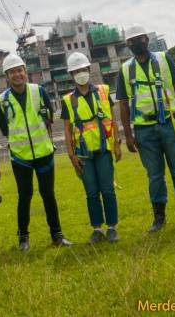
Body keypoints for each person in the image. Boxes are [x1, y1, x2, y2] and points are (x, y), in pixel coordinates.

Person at [117, 23, 175, 232]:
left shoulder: (163, 58)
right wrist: (128, 135)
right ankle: (159, 219)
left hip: (170, 123)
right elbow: (124, 104)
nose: (137, 43)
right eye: (132, 41)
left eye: (140, 39)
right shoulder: (125, 69)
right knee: (154, 175)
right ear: (128, 44)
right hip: (144, 130)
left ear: (147, 39)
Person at [0, 53, 72, 251]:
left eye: (19, 70)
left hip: (44, 153)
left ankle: (57, 235)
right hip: (20, 158)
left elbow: (48, 118)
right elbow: (4, 128)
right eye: (12, 72)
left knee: (48, 194)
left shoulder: (39, 91)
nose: (17, 74)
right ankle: (23, 238)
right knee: (24, 196)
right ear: (7, 76)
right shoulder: (1, 100)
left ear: (25, 72)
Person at [62, 52, 121, 244]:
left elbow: (112, 117)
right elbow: (68, 129)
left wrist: (117, 144)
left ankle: (112, 228)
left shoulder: (103, 91)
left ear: (89, 70)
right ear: (71, 75)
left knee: (108, 190)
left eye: (83, 70)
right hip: (83, 154)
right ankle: (97, 229)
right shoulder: (68, 100)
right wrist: (71, 155)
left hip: (103, 151)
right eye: (76, 71)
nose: (80, 73)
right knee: (91, 192)